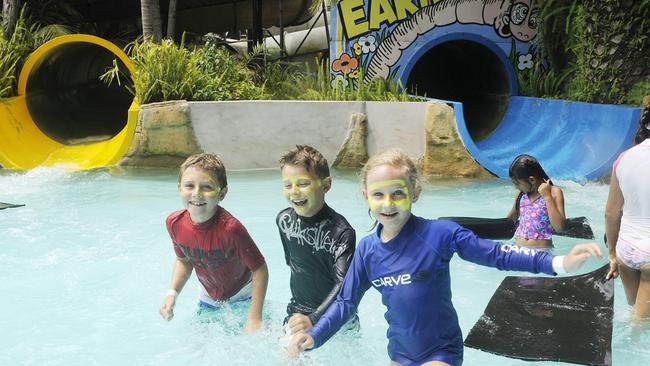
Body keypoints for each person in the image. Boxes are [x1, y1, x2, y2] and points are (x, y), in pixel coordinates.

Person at [287, 148, 602, 366]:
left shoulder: (440, 234)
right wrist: (314, 336)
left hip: (442, 351)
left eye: (397, 192)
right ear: (366, 196)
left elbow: (498, 254)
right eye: (378, 194)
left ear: (415, 192)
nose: (388, 202)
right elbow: (345, 302)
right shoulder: (368, 250)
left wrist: (558, 262)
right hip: (400, 354)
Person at [159, 153, 269, 332]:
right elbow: (183, 260)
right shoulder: (174, 223)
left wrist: (255, 317)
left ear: (222, 193)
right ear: (179, 188)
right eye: (189, 186)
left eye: (207, 187)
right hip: (209, 296)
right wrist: (172, 294)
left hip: (243, 295)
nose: (197, 194)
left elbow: (260, 269)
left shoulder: (231, 229)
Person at [276, 145, 358, 343]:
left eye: (303, 183)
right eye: (288, 185)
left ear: (326, 185)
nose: (294, 192)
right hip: (298, 313)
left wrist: (314, 318)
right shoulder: (284, 221)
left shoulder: (342, 232)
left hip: (334, 316)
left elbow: (343, 285)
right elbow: (293, 265)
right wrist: (302, 317)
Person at [606, 104, 650, 321]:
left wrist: (612, 254)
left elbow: (611, 214)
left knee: (634, 313)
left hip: (626, 250)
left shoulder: (624, 158)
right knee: (640, 326)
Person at [506, 154, 566, 249]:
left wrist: (547, 196)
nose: (516, 187)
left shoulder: (554, 192)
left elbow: (560, 228)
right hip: (518, 249)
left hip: (540, 253)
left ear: (532, 180)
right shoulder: (521, 194)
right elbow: (509, 222)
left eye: (517, 183)